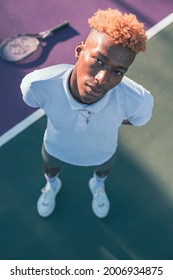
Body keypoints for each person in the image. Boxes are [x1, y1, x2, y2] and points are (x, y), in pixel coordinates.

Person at [20, 8, 154, 219]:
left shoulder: (138, 100)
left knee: (102, 172)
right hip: (56, 147)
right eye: (98, 61)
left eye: (117, 71)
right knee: (50, 169)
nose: (102, 78)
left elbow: (136, 119)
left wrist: (110, 117)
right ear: (79, 51)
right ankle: (51, 186)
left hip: (103, 152)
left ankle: (98, 186)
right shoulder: (37, 84)